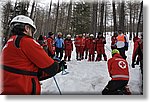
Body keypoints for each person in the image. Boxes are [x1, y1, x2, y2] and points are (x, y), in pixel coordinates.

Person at [1, 15, 63, 95]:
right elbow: (51, 68)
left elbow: (27, 69)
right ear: (27, 28)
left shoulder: (9, 42)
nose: (32, 34)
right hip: (23, 89)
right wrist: (58, 66)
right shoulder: (26, 41)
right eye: (32, 31)